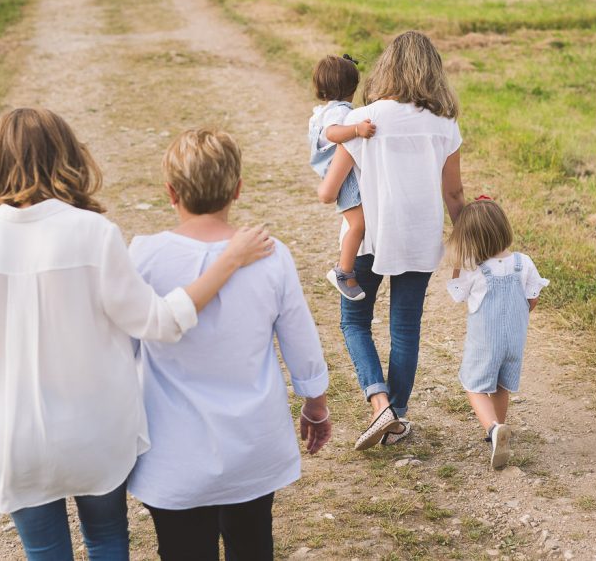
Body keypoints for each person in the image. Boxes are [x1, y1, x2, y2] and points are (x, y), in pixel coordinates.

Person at [0, 108, 272, 560]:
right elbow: (158, 322)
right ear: (69, 157)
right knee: (105, 541)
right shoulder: (93, 232)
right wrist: (229, 260)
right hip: (94, 432)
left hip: (13, 433)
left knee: (44, 551)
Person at [128, 128, 331, 561]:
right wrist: (315, 404)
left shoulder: (144, 257)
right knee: (252, 544)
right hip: (251, 446)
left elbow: (121, 348)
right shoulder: (271, 255)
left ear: (170, 192)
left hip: (173, 451)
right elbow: (302, 343)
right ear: (238, 189)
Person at [318, 30, 466, 450]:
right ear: (433, 71)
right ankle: (395, 416)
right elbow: (454, 194)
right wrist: (467, 244)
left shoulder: (363, 119)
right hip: (420, 239)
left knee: (353, 321)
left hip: (369, 238)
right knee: (405, 328)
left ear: (387, 68)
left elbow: (332, 187)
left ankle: (379, 402)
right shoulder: (445, 124)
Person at [446, 198, 549, 469]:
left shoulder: (474, 268)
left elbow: (457, 294)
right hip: (515, 338)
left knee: (474, 385)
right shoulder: (523, 262)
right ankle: (499, 427)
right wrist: (519, 317)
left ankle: (493, 429)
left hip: (485, 341)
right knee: (502, 384)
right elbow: (533, 296)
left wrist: (457, 263)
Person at [307, 53, 376, 300]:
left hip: (336, 172)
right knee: (358, 224)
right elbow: (333, 133)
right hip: (342, 176)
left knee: (358, 223)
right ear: (353, 87)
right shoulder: (339, 113)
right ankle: (344, 271)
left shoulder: (323, 111)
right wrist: (357, 129)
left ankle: (345, 270)